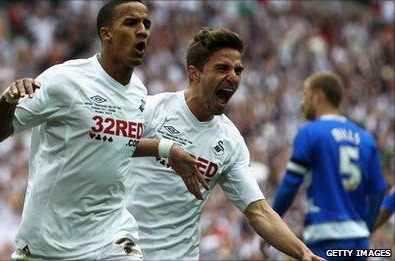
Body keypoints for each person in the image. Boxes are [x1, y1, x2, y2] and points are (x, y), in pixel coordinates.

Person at [0, 1, 208, 260]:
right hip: (51, 241)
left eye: (147, 24)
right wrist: (9, 98)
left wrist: (166, 148)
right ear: (106, 33)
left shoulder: (138, 91)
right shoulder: (66, 80)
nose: (143, 30)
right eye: (131, 23)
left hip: (111, 232)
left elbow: (118, 143)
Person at [124, 27, 321, 261]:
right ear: (194, 73)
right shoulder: (153, 110)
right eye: (222, 68)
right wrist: (165, 148)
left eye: (238, 70)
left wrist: (304, 253)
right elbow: (111, 145)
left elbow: (258, 211)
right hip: (125, 249)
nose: (233, 77)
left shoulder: (230, 141)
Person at [268, 71, 387, 259]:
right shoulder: (366, 138)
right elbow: (378, 192)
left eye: (305, 95)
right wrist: (365, 227)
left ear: (318, 95)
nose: (302, 102)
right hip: (359, 241)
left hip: (325, 237)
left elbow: (291, 183)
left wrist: (270, 223)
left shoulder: (310, 132)